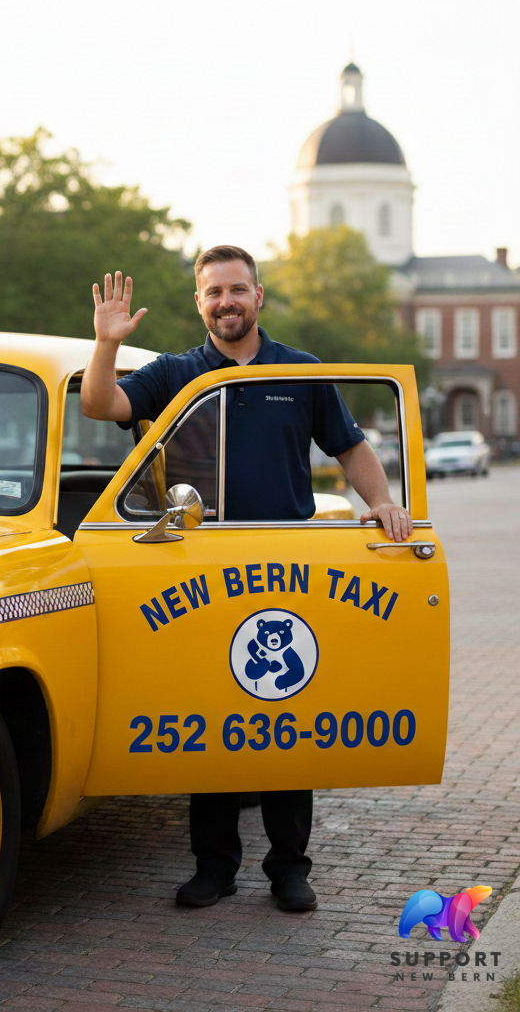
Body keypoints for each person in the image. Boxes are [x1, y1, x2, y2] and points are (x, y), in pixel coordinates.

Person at [80, 244, 413, 914]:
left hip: (286, 565)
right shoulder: (175, 373)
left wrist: (381, 502)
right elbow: (99, 404)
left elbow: (348, 445)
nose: (226, 302)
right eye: (213, 293)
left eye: (237, 290)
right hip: (202, 565)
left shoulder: (302, 371)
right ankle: (215, 867)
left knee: (285, 717)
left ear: (258, 296)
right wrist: (106, 344)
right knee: (215, 719)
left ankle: (290, 868)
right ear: (199, 303)